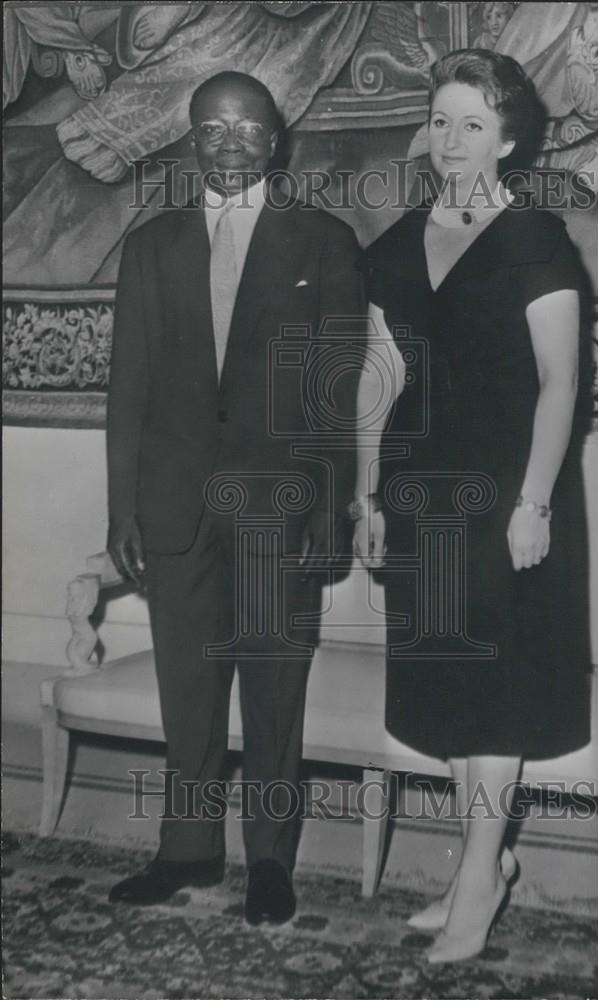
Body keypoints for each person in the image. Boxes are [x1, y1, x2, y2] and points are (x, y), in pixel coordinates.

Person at [106, 71, 364, 924]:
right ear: (190, 139)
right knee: (189, 684)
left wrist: (331, 508)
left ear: (274, 140)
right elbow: (129, 391)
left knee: (274, 687)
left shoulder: (323, 242)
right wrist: (122, 513)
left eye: (246, 129)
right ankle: (186, 851)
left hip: (279, 509)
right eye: (211, 129)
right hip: (175, 508)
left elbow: (334, 393)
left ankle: (269, 865)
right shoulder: (151, 246)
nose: (228, 143)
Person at [354, 49, 591, 964]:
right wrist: (371, 497)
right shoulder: (399, 241)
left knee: (494, 695)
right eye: (442, 121)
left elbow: (560, 381)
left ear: (510, 139)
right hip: (419, 496)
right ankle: (478, 868)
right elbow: (380, 380)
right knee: (451, 686)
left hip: (505, 495)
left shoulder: (536, 239)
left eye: (474, 126)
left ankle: (479, 881)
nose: (452, 142)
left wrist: (533, 503)